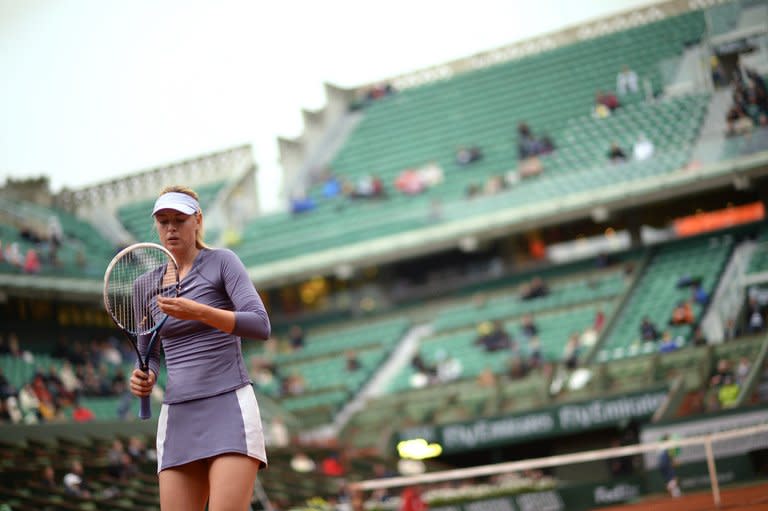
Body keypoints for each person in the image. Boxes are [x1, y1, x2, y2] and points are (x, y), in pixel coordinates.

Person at [128, 186, 271, 511]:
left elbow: (260, 325)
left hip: (229, 406)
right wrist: (143, 377)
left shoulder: (222, 262)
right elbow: (147, 354)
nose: (170, 228)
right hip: (178, 414)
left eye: (179, 219)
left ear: (198, 221)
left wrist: (199, 311)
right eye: (163, 221)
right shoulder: (143, 287)